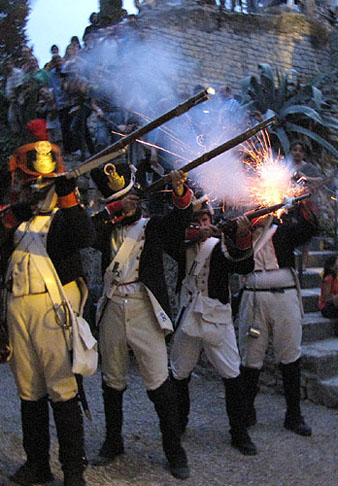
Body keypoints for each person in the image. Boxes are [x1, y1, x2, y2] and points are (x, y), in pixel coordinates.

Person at [0, 141, 96, 486]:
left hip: (50, 308)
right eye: (28, 184)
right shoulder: (14, 217)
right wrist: (11, 218)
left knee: (63, 389)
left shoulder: (66, 216)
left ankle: (73, 472)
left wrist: (70, 201)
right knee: (29, 392)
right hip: (16, 308)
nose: (34, 189)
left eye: (38, 183)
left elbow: (85, 236)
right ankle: (37, 465)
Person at [90, 164, 192, 480]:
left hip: (144, 307)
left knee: (159, 382)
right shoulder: (105, 226)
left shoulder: (152, 226)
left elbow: (179, 223)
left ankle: (174, 451)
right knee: (112, 380)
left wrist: (179, 192)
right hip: (112, 304)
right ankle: (113, 441)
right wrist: (113, 211)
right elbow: (87, 232)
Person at [170, 208, 258, 456]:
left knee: (232, 374)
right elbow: (174, 237)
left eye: (205, 220)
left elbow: (245, 265)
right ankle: (178, 424)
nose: (203, 224)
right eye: (197, 221)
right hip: (189, 313)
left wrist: (242, 235)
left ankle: (239, 432)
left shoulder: (221, 245)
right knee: (179, 373)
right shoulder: (182, 243)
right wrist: (195, 233)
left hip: (217, 315)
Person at [238, 197, 318, 437]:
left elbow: (310, 228)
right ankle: (246, 411)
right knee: (250, 357)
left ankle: (294, 415)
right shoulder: (239, 234)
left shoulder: (283, 231)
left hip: (284, 298)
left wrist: (304, 205)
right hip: (253, 299)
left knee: (290, 355)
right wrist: (242, 232)